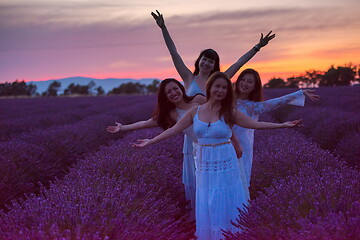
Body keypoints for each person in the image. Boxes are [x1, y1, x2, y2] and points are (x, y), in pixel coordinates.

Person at [134, 72, 302, 240]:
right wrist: (150, 141)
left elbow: (256, 124)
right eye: (217, 86)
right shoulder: (195, 111)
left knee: (224, 194)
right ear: (210, 88)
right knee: (208, 196)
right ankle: (211, 234)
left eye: (224, 87)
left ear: (228, 91)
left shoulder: (230, 112)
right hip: (204, 161)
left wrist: (283, 125)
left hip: (225, 159)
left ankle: (229, 233)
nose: (220, 90)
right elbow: (174, 129)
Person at [107, 78, 205, 220]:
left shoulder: (199, 99)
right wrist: (123, 127)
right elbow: (145, 123)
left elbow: (221, 110)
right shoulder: (171, 114)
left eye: (175, 88)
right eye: (168, 92)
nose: (173, 93)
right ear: (165, 97)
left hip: (219, 146)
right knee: (203, 187)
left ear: (181, 88)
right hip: (199, 152)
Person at [233, 68, 320, 193]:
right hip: (222, 144)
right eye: (243, 80)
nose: (245, 84)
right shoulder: (226, 100)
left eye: (250, 82)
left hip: (242, 148)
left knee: (239, 181)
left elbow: (276, 102)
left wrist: (299, 93)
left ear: (255, 86)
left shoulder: (253, 106)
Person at [151, 10, 275, 96]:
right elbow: (174, 53)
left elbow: (239, 63)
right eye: (204, 59)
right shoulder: (188, 78)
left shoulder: (219, 80)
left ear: (214, 65)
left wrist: (257, 47)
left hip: (212, 129)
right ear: (199, 61)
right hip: (190, 129)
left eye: (211, 61)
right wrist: (163, 28)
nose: (206, 63)